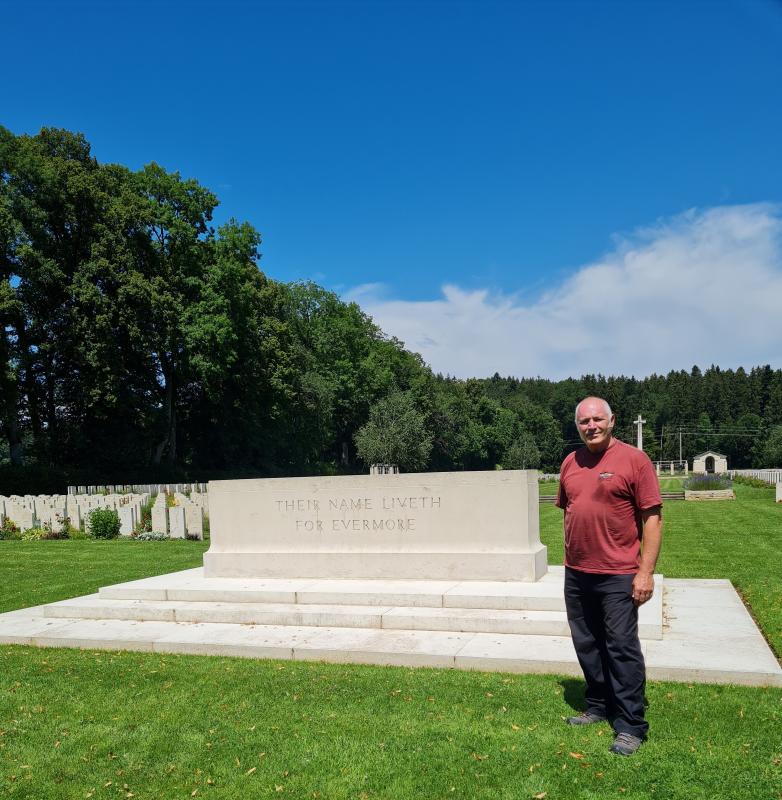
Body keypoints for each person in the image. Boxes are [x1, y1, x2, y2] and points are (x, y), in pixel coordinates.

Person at [555, 397, 662, 756]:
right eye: (584, 421)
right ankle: (599, 705)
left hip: (618, 573)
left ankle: (631, 724)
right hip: (577, 572)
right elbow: (569, 510)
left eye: (597, 419)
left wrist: (644, 572)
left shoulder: (635, 460)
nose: (591, 426)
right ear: (578, 426)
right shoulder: (570, 462)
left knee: (621, 647)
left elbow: (652, 519)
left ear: (612, 420)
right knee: (587, 642)